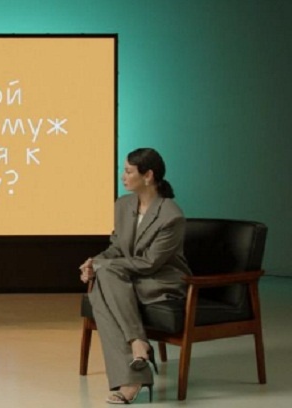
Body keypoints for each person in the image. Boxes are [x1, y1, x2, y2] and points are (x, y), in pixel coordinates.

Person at [79, 147, 191, 404]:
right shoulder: (123, 205)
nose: (123, 176)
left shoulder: (171, 215)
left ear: (148, 175)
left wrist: (103, 266)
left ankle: (136, 353)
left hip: (161, 281)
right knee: (104, 279)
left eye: (128, 171)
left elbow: (150, 263)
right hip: (128, 279)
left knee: (103, 285)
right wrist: (94, 261)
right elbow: (117, 248)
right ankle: (137, 353)